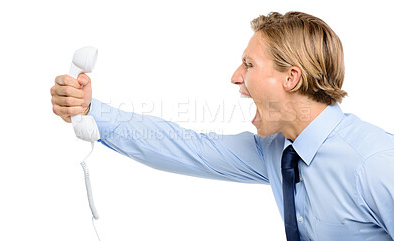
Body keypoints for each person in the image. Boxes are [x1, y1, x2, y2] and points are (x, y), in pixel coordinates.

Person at [50, 11, 394, 241]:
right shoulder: (278, 150)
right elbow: (187, 147)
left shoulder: (375, 163)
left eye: (249, 64)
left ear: (291, 78)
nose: (235, 77)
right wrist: (91, 110)